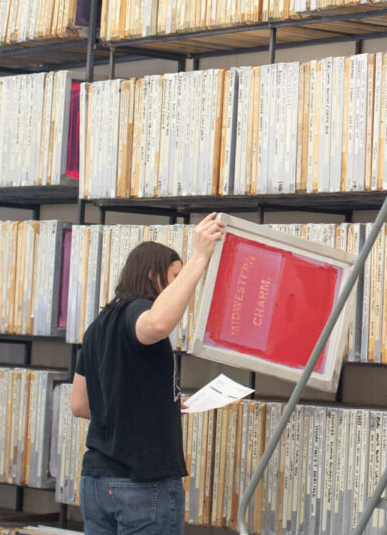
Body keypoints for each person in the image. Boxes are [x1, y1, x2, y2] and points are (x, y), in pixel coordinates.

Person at [70, 212, 225, 535]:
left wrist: (153, 406)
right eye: (175, 276)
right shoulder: (138, 312)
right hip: (141, 481)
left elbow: (80, 405)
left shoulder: (97, 326)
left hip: (96, 481)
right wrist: (199, 256)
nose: (181, 285)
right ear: (155, 275)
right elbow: (157, 324)